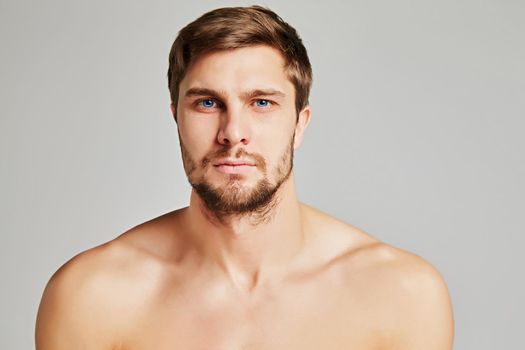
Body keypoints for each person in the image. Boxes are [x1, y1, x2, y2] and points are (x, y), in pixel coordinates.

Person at [35, 5, 454, 349]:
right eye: (206, 102)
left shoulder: (400, 294)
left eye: (262, 102)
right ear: (176, 118)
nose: (233, 131)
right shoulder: (91, 296)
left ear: (300, 123)